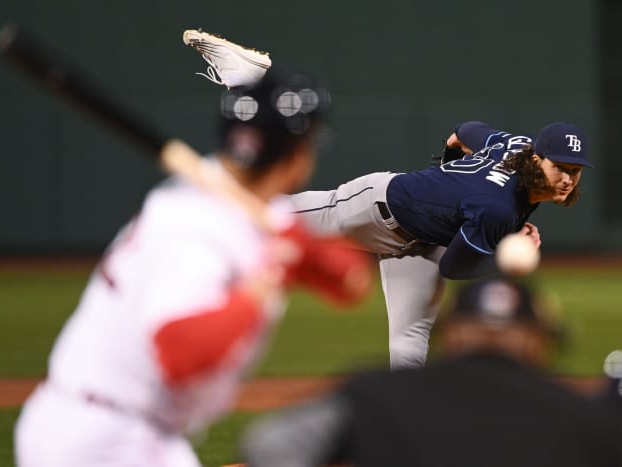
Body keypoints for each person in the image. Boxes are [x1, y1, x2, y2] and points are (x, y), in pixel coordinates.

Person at [14, 64, 373, 467]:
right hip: (96, 441)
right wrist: (266, 281)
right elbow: (181, 353)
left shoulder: (254, 207)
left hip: (140, 434)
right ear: (296, 154)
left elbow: (351, 282)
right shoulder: (192, 226)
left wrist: (302, 250)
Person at [183, 29, 594, 369]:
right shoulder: (497, 207)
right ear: (537, 159)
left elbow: (465, 131)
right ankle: (252, 82)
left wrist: (449, 169)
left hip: (421, 244)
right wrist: (507, 248)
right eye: (560, 168)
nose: (567, 181)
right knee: (266, 215)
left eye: (574, 173)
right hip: (377, 208)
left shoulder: (515, 147)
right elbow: (456, 267)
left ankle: (406, 438)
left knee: (411, 343)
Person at [240, 275, 622, 467]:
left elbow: (269, 447)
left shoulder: (376, 394)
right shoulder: (588, 420)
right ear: (538, 342)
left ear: (451, 335)